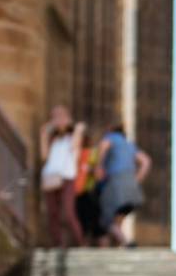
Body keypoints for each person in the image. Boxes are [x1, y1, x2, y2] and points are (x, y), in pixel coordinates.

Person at [95, 124, 151, 248]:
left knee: (106, 218)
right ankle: (119, 244)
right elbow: (146, 161)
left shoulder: (111, 137)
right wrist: (137, 180)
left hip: (116, 182)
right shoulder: (130, 145)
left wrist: (99, 166)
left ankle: (127, 242)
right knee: (118, 218)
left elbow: (104, 146)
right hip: (132, 186)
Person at [39, 106, 85, 247]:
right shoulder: (53, 140)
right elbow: (44, 156)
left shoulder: (72, 136)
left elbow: (75, 147)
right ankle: (57, 244)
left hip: (67, 177)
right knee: (52, 213)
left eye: (60, 116)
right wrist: (44, 134)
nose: (58, 119)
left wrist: (76, 129)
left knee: (68, 212)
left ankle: (79, 243)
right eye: (54, 116)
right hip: (51, 177)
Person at [74, 127, 105, 245]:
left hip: (90, 190)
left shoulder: (93, 152)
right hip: (79, 191)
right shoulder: (76, 152)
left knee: (95, 221)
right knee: (82, 220)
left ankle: (99, 245)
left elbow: (99, 173)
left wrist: (89, 169)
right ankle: (84, 245)